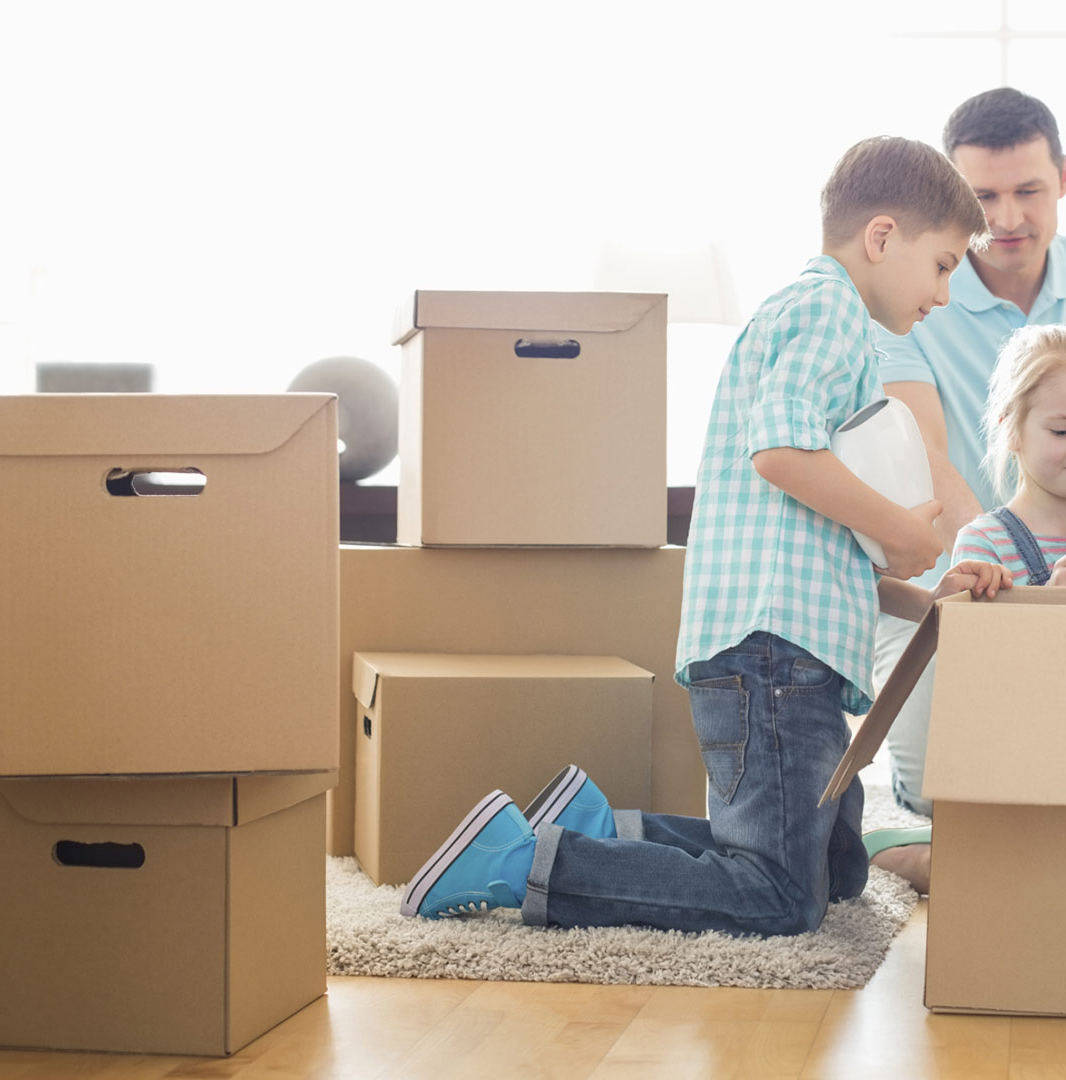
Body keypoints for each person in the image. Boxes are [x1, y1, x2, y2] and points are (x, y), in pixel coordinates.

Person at [398, 136, 1013, 935]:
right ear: (883, 237)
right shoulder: (827, 310)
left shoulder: (816, 318)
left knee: (834, 872)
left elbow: (818, 545)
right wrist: (901, 526)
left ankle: (603, 829)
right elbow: (781, 451)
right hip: (776, 656)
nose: (945, 291)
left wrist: (924, 598)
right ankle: (527, 863)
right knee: (779, 896)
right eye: (943, 264)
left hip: (786, 648)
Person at [870, 88, 1066, 868]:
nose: (1009, 217)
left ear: (1063, 179)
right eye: (984, 197)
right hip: (966, 582)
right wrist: (1011, 589)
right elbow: (929, 459)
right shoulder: (912, 295)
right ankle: (891, 837)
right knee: (940, 781)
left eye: (1029, 191)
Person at [863, 326, 1066, 891]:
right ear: (1012, 432)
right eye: (1063, 430)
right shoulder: (986, 541)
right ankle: (902, 852)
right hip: (1018, 762)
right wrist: (1048, 601)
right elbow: (978, 687)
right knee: (1025, 871)